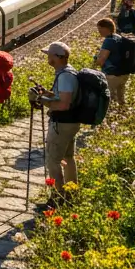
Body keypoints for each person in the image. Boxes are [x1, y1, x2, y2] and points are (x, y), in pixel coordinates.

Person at [30, 42, 82, 206]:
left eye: (49, 55)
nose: (48, 57)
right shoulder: (68, 72)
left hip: (62, 123)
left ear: (57, 57)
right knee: (68, 157)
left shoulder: (65, 76)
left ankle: (58, 198)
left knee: (53, 160)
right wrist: (47, 93)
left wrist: (40, 99)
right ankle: (71, 193)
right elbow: (62, 96)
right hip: (71, 121)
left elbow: (64, 104)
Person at [93, 18, 129, 108]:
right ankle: (122, 116)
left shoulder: (108, 40)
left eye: (100, 29)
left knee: (108, 100)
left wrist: (96, 60)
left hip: (112, 75)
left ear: (106, 28)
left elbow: (101, 60)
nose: (99, 31)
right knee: (121, 99)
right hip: (124, 73)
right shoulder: (118, 37)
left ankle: (110, 118)